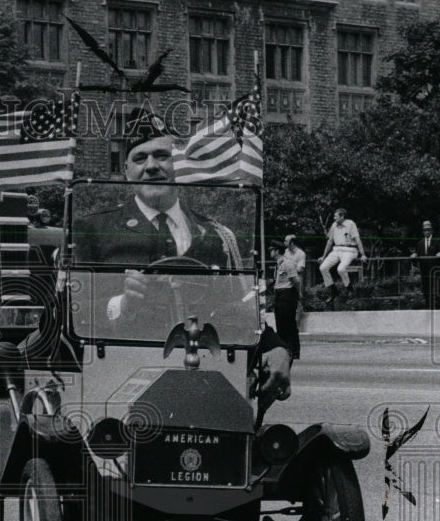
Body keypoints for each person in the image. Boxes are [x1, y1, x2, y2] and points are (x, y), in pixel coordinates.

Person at [72, 107, 292, 398]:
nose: (151, 166)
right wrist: (122, 304)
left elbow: (238, 307)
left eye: (161, 156)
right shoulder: (93, 230)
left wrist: (275, 347)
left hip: (207, 378)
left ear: (179, 163)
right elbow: (72, 312)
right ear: (126, 172)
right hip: (118, 381)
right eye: (139, 158)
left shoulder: (215, 235)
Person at [318, 208, 366, 305]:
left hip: (349, 250)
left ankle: (350, 289)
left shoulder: (350, 224)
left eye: (336, 216)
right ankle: (334, 291)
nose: (334, 218)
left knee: (340, 269)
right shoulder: (334, 225)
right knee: (323, 267)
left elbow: (358, 239)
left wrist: (363, 254)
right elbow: (330, 241)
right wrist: (323, 256)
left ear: (342, 216)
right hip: (336, 250)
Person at [271, 241, 301, 360]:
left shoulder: (287, 263)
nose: (270, 252)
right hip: (279, 294)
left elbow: (296, 280)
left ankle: (293, 350)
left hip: (287, 294)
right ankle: (284, 349)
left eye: (272, 249)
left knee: (289, 323)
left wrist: (299, 294)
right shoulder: (278, 264)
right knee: (280, 323)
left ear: (277, 250)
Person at [410, 219, 440, 309]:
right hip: (424, 270)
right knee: (426, 289)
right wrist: (414, 256)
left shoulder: (437, 241)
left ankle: (437, 308)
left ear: (431, 230)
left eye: (428, 230)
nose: (427, 232)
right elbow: (417, 255)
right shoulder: (420, 243)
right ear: (423, 231)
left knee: (435, 289)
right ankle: (428, 308)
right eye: (425, 230)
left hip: (435, 270)